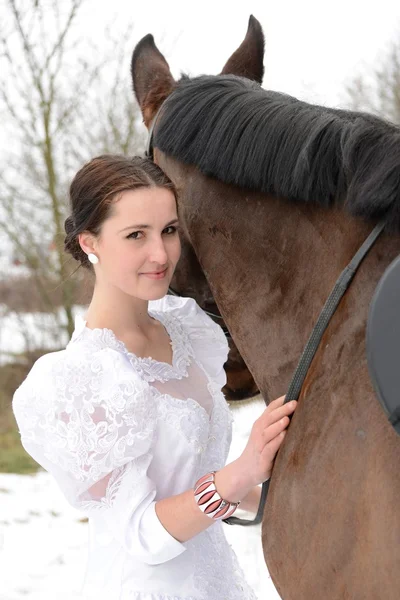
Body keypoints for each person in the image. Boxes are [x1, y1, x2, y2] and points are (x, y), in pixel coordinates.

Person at [12, 155, 296, 600]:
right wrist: (239, 474)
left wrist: (294, 504)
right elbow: (141, 532)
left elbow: (193, 475)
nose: (161, 254)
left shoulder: (185, 331)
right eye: (135, 236)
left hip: (216, 583)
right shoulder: (82, 378)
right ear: (91, 243)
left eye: (168, 230)